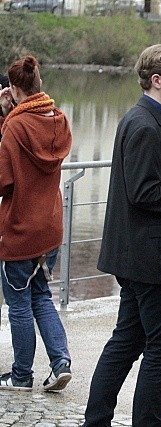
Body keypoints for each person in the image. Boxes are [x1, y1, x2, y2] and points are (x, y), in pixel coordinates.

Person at [82, 44, 161, 427]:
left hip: (140, 255)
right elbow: (144, 192)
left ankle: (97, 419)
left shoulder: (147, 120)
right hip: (153, 260)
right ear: (157, 80)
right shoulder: (144, 125)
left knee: (128, 341)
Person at [0, 55, 73, 392]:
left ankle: (21, 376)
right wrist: (8, 116)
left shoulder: (16, 126)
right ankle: (60, 363)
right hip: (50, 227)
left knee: (18, 303)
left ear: (13, 89)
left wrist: (7, 120)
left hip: (19, 228)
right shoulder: (59, 120)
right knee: (42, 296)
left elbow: (5, 182)